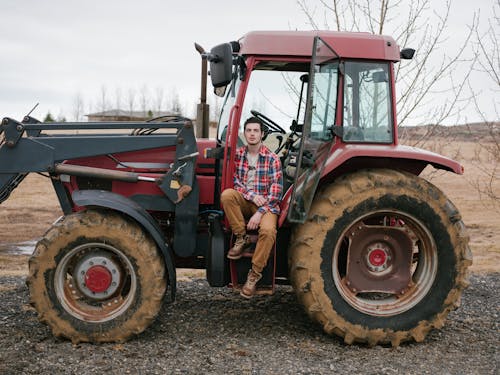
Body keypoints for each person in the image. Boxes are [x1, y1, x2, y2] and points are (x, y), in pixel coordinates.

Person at [220, 116, 283, 298]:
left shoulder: (272, 159)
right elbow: (235, 182)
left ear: (262, 134)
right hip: (248, 200)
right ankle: (242, 237)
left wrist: (260, 213)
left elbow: (275, 193)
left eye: (256, 131)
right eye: (249, 130)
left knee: (269, 231)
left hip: (267, 205)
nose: (252, 134)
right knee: (227, 195)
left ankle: (254, 275)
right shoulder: (238, 155)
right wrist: (252, 196)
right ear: (244, 133)